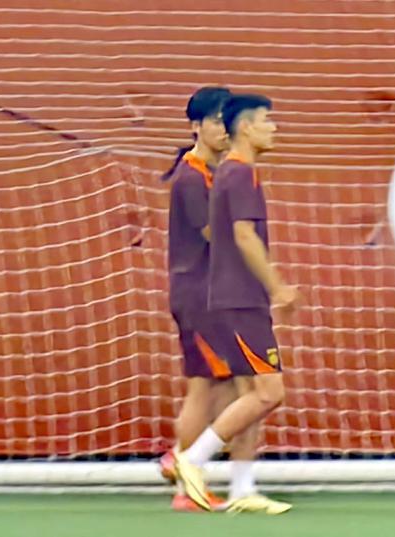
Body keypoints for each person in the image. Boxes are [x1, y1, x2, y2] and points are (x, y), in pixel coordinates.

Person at [174, 94, 299, 515]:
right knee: (268, 392)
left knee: (249, 394)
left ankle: (243, 488)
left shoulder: (227, 172)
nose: (274, 127)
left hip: (235, 298)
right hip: (239, 301)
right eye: (267, 120)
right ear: (245, 127)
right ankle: (192, 461)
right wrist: (278, 288)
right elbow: (243, 236)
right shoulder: (238, 173)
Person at [159, 87, 259, 512]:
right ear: (196, 126)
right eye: (217, 121)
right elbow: (216, 235)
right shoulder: (193, 178)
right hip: (201, 296)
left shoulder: (217, 173)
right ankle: (186, 483)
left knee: (222, 385)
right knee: (208, 388)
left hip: (215, 294)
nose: (224, 129)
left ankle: (197, 471)